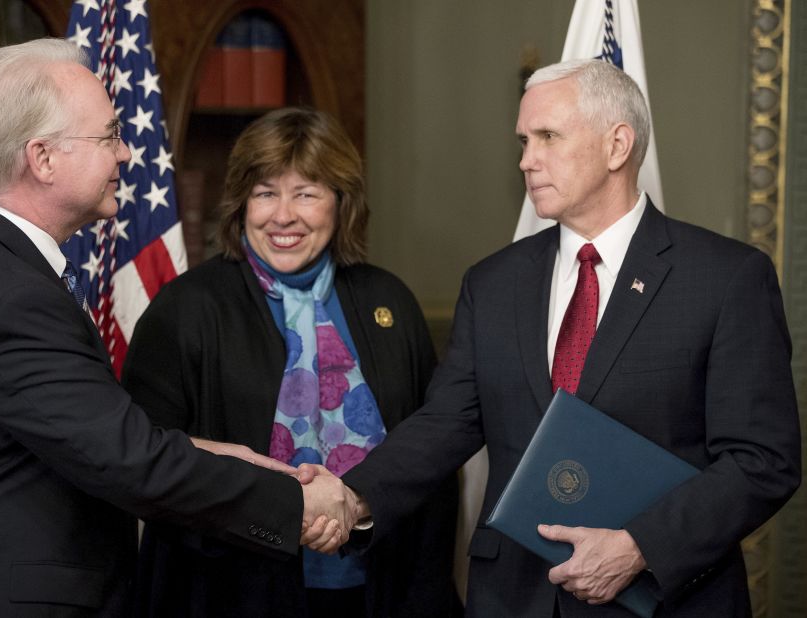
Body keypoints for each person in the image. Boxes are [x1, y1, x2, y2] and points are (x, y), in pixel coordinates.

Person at [338, 58, 801, 617]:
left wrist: (640, 548)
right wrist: (353, 495)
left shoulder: (725, 278)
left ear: (617, 145)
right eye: (524, 140)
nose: (526, 160)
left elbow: (761, 460)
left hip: (665, 599)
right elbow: (448, 423)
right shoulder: (492, 282)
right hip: (513, 595)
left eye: (548, 137)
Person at [0, 40, 350, 617]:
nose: (127, 153)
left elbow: (100, 432)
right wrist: (294, 499)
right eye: (109, 135)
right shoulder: (11, 295)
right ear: (42, 159)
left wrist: (248, 461)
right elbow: (131, 460)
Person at [121, 106, 459, 617]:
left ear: (341, 204)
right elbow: (148, 464)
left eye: (306, 193)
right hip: (225, 595)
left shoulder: (390, 302)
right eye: (265, 193)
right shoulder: (185, 310)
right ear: (240, 206)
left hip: (376, 592)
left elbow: (431, 462)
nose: (283, 215)